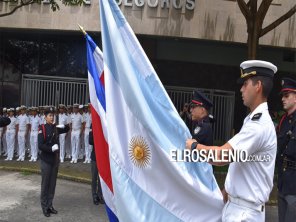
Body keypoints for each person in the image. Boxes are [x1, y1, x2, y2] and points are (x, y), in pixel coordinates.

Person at [186, 60, 277, 222]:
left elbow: (222, 156)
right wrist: (227, 190)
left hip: (245, 212)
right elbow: (242, 162)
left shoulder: (258, 125)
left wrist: (194, 146)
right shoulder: (251, 120)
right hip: (237, 207)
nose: (241, 89)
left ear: (258, 86)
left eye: (245, 84)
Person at [38, 107, 69, 217]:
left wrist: (64, 126)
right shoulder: (42, 128)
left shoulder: (56, 128)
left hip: (55, 160)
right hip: (46, 159)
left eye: (53, 115)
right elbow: (40, 145)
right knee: (45, 184)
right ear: (45, 117)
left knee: (52, 185)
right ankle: (44, 206)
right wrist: (50, 149)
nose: (52, 117)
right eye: (50, 115)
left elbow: (67, 129)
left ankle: (50, 205)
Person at [276, 77, 296, 222]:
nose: (283, 99)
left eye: (287, 95)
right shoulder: (283, 121)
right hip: (283, 182)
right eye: (283, 95)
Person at [89, 124, 104, 205]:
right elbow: (90, 141)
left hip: (102, 157)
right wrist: (96, 133)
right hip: (95, 157)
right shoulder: (93, 128)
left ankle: (100, 195)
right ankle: (94, 195)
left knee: (100, 178)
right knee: (94, 178)